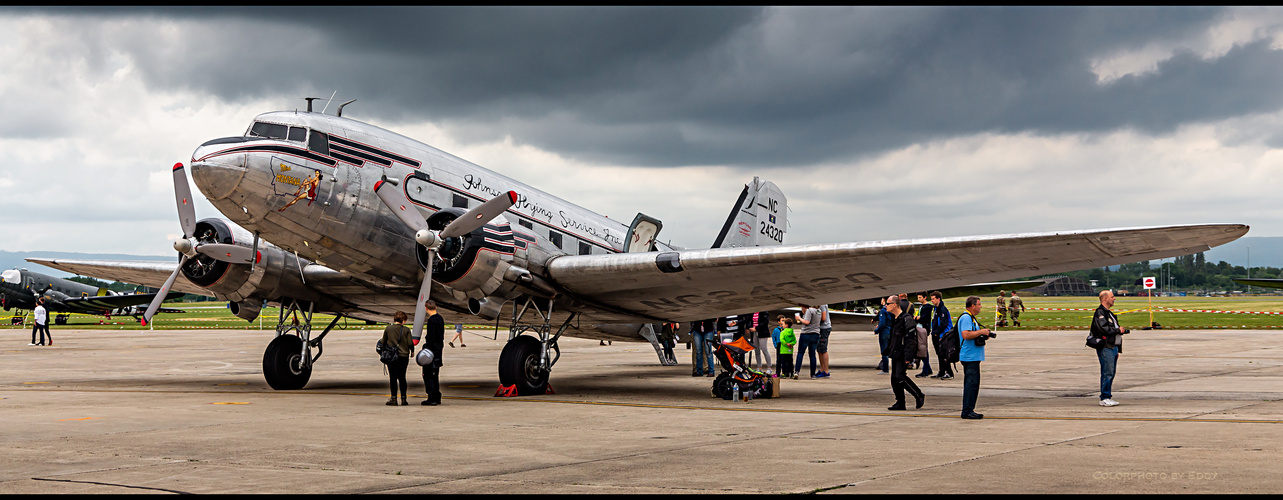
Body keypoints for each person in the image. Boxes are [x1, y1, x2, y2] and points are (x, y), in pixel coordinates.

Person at [1090, 290, 1129, 407]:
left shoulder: (1108, 313)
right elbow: (1103, 329)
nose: (1114, 299)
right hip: (1106, 347)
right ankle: (1105, 397)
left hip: (1112, 347)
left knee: (1110, 372)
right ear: (1105, 299)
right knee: (1107, 372)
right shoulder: (1100, 313)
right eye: (1112, 297)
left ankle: (1107, 396)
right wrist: (1118, 330)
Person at [886, 297, 925, 410]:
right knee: (894, 378)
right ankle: (900, 402)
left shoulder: (907, 319)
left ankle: (918, 395)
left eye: (888, 304)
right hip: (895, 352)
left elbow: (911, 340)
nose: (886, 306)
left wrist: (909, 357)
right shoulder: (895, 319)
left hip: (903, 353)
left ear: (894, 304)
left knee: (900, 376)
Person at [958, 296, 991, 419]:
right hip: (969, 357)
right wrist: (981, 332)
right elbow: (966, 334)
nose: (980, 306)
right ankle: (967, 410)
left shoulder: (970, 318)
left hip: (972, 356)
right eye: (979, 304)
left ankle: (969, 409)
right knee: (971, 384)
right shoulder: (966, 317)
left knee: (972, 384)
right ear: (973, 306)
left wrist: (982, 335)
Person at [380, 311, 413, 406]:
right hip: (403, 356)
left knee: (393, 378)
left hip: (392, 356)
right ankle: (403, 399)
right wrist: (412, 351)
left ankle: (393, 398)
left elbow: (383, 341)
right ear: (403, 320)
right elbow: (410, 343)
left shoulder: (388, 328)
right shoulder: (406, 330)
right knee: (402, 377)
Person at [420, 300, 446, 406]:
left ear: (426, 308)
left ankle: (432, 397)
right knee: (435, 375)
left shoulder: (431, 321)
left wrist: (426, 347)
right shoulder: (440, 318)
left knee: (428, 375)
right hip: (439, 350)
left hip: (432, 352)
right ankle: (437, 395)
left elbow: (430, 338)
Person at [928, 291, 955, 380]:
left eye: (933, 299)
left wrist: (936, 332)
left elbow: (943, 323)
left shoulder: (942, 309)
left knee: (944, 354)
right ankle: (941, 371)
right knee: (939, 354)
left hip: (942, 335)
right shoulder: (936, 309)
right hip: (937, 334)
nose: (932, 301)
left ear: (938, 299)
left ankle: (949, 372)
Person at [793, 303, 821, 379]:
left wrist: (799, 318)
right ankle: (813, 374)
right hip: (815, 334)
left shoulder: (810, 310)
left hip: (806, 334)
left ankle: (797, 371)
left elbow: (807, 322)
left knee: (800, 353)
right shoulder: (819, 311)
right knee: (812, 355)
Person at [914, 293, 933, 378]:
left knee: (922, 349)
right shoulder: (921, 306)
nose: (919, 299)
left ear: (925, 297)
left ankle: (925, 370)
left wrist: (918, 318)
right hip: (920, 328)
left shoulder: (927, 307)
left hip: (923, 329)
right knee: (922, 349)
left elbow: (924, 318)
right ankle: (927, 368)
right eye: (918, 297)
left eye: (920, 297)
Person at [874, 297, 893, 374]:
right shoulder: (891, 310)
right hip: (891, 332)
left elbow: (882, 323)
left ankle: (885, 369)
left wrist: (876, 330)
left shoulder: (883, 310)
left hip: (884, 332)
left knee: (884, 351)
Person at [815, 303, 833, 378]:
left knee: (823, 349)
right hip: (820, 328)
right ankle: (822, 369)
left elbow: (823, 317)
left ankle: (826, 371)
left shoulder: (822, 304)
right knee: (819, 350)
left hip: (824, 328)